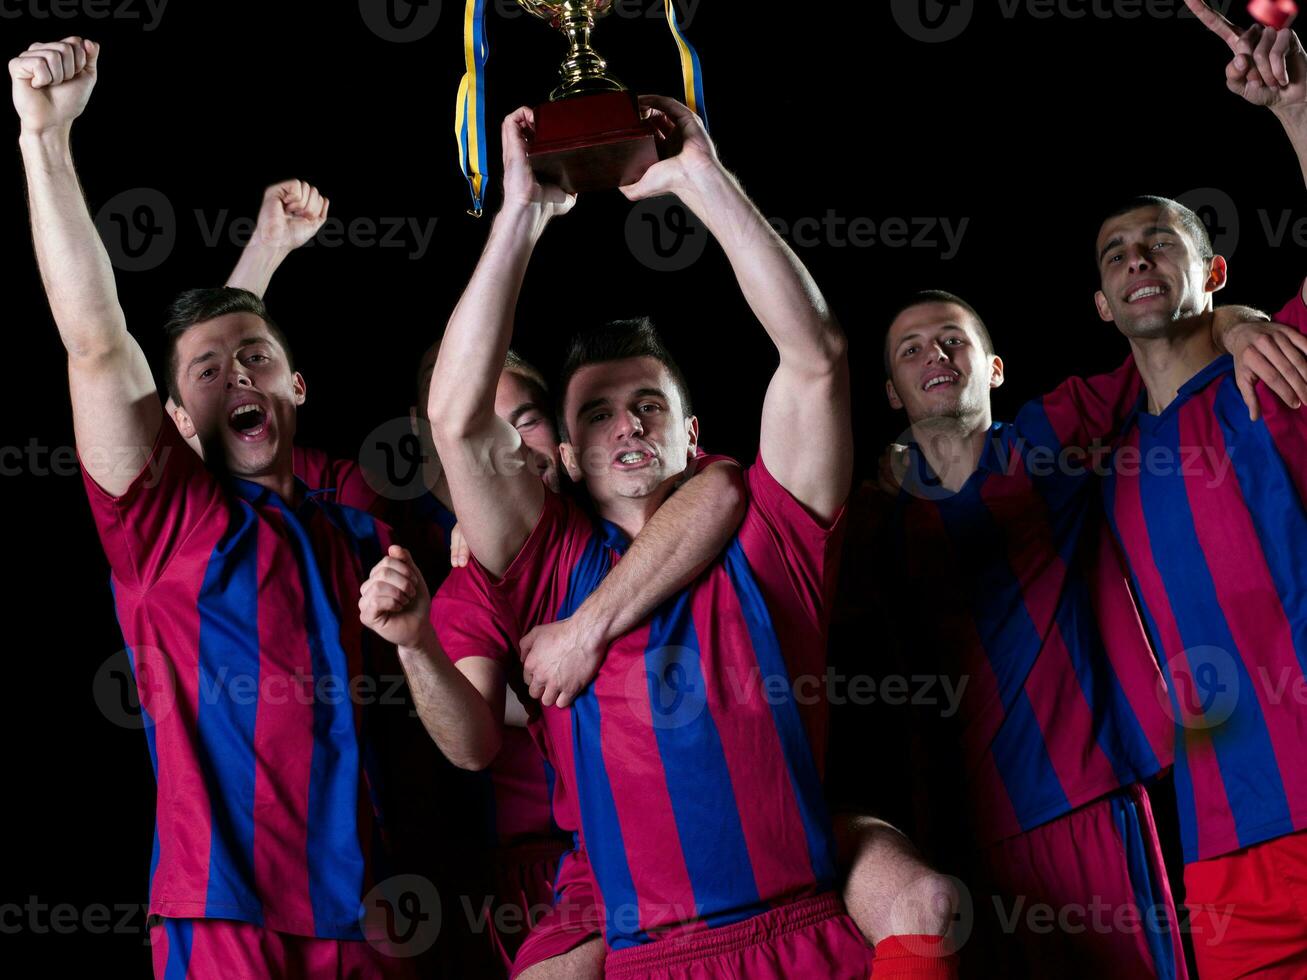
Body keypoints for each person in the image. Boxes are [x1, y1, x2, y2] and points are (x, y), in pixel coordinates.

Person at [413, 90, 941, 976]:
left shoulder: (770, 533)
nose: (626, 426)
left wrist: (704, 178)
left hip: (802, 932)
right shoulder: (543, 569)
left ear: (692, 437)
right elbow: (455, 418)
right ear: (566, 459)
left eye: (650, 405)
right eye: (598, 414)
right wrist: (521, 217)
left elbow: (816, 354)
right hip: (645, 956)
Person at [9, 38, 416, 977]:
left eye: (259, 362)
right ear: (176, 420)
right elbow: (98, 344)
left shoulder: (346, 510)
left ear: (301, 386)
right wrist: (48, 141)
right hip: (225, 914)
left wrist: (264, 258)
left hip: (367, 919)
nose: (236, 374)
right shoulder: (163, 521)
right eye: (204, 373)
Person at [1087, 4, 1307, 974]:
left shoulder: (1271, 366)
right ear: (1100, 304)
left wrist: (1295, 104)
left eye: (1159, 242)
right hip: (1225, 838)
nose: (1136, 257)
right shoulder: (1091, 461)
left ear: (1211, 273)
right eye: (1114, 251)